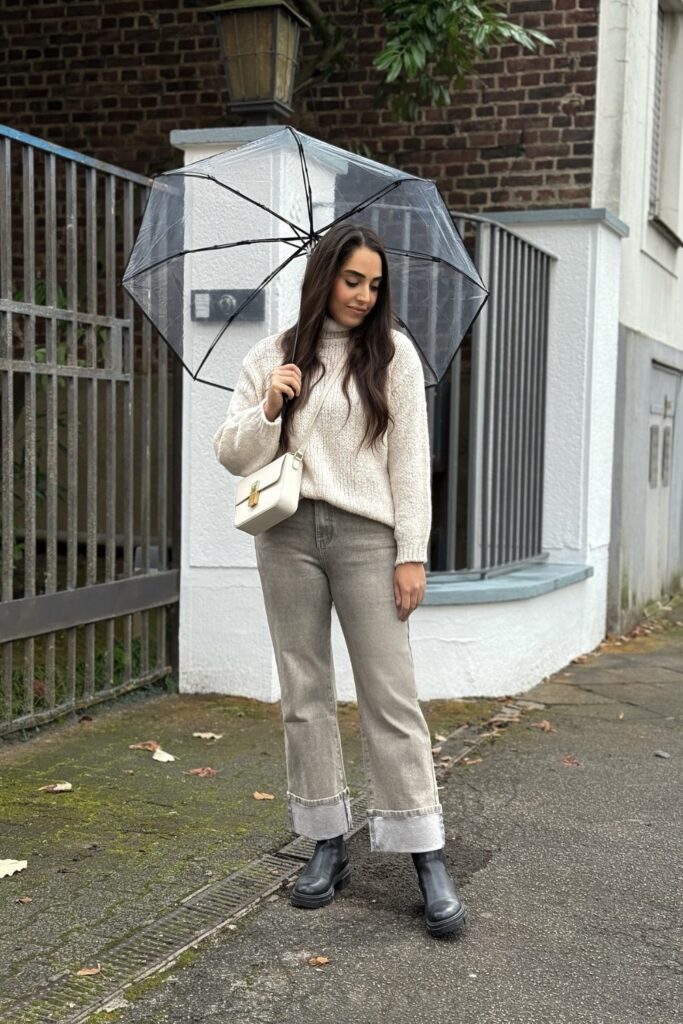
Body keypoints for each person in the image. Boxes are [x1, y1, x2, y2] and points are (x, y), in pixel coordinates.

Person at [213, 222, 467, 938]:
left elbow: (410, 461)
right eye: (352, 279)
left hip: (366, 537)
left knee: (390, 695)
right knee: (304, 691)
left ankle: (424, 849)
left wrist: (410, 552)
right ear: (323, 275)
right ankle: (326, 841)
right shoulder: (269, 356)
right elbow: (231, 454)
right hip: (286, 534)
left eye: (374, 284)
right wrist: (271, 404)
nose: (362, 295)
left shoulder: (393, 357)